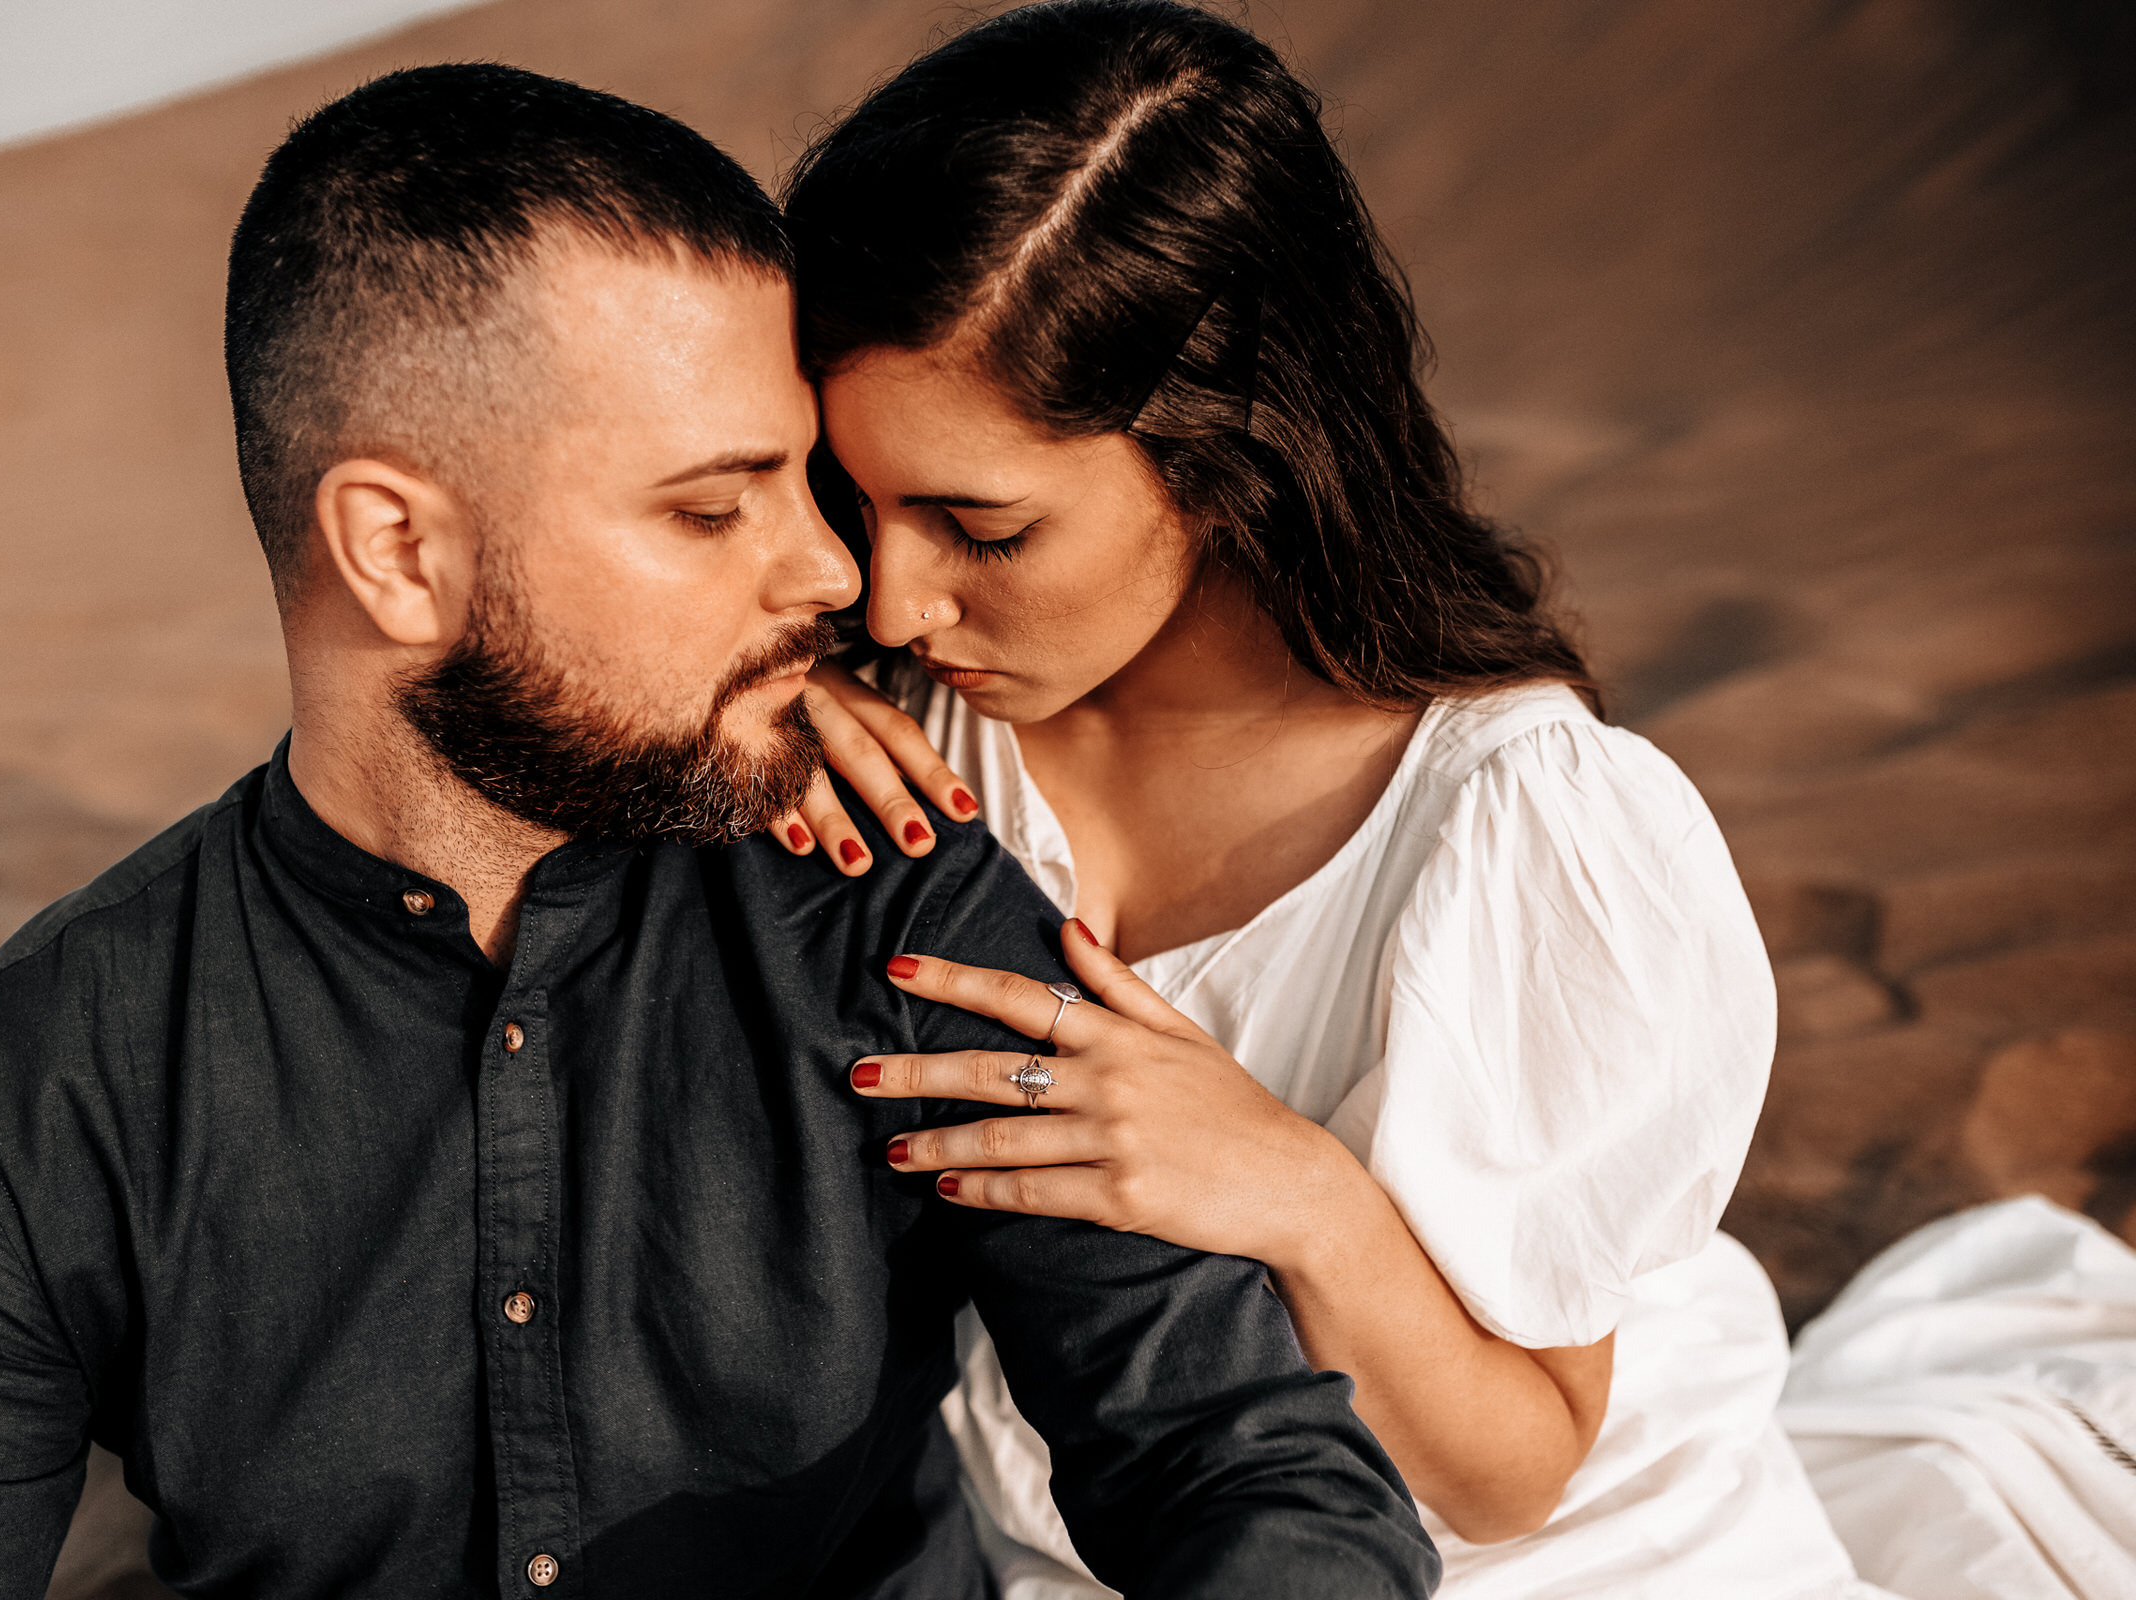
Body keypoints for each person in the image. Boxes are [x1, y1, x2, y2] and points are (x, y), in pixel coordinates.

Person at [0, 64, 1443, 1600]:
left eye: (805, 487)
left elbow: (1248, 1470)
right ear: (400, 554)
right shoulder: (49, 1089)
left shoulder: (886, 910)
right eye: (711, 509)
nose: (832, 574)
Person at [775, 4, 1884, 1595]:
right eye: (853, 498)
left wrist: (1301, 1193)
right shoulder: (900, 711)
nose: (892, 598)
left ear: (1226, 451)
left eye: (985, 528)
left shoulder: (1517, 827)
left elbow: (1512, 1475)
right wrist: (750, 692)